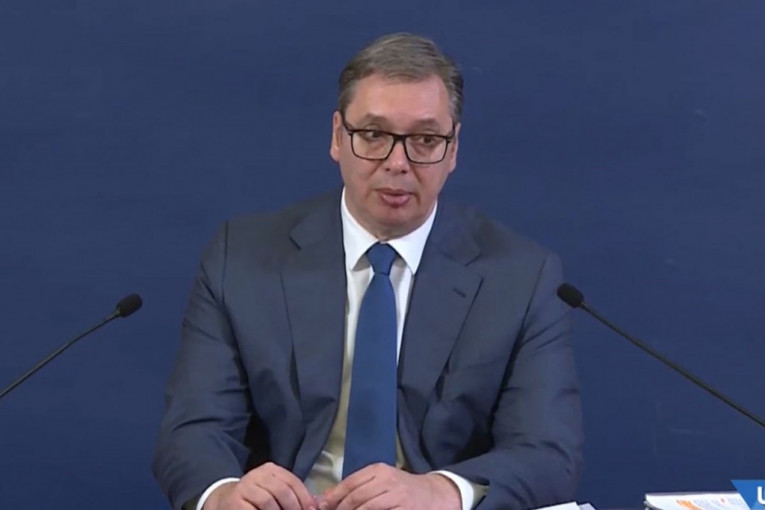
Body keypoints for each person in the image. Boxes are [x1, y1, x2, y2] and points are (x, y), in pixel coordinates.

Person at [153, 33, 583, 510]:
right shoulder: (243, 259)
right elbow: (193, 431)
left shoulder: (521, 277)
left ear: (453, 149)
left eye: (425, 140)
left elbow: (548, 453)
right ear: (338, 137)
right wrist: (224, 496)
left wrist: (440, 491)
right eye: (374, 135)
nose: (397, 163)